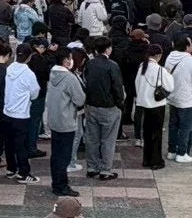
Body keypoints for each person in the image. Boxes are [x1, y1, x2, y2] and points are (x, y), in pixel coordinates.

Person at [45, 46, 86, 195]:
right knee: (64, 155)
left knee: (56, 154)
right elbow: (80, 99)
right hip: (67, 120)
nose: (71, 60)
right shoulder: (69, 78)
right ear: (65, 60)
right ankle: (61, 186)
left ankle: (56, 182)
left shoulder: (53, 74)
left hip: (54, 119)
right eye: (70, 58)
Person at [82, 37, 125, 180]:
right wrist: (120, 104)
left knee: (92, 139)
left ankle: (92, 167)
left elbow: (85, 82)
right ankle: (105, 170)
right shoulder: (112, 65)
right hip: (109, 107)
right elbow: (117, 88)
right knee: (108, 140)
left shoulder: (89, 64)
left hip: (91, 106)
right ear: (108, 49)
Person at [4, 43, 42, 183]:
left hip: (7, 110)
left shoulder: (9, 68)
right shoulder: (28, 74)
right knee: (22, 145)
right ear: (29, 57)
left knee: (9, 142)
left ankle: (11, 169)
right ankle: (23, 173)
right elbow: (35, 93)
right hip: (21, 113)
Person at [165, 37, 192, 164]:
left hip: (172, 97)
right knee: (185, 127)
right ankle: (182, 153)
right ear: (187, 47)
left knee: (173, 125)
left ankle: (171, 151)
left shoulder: (170, 58)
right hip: (187, 99)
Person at [134, 43, 173, 170]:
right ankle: (156, 161)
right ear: (158, 55)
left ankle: (146, 159)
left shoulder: (142, 67)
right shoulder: (160, 69)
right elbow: (170, 86)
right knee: (156, 134)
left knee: (147, 133)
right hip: (157, 105)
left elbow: (137, 83)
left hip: (144, 104)